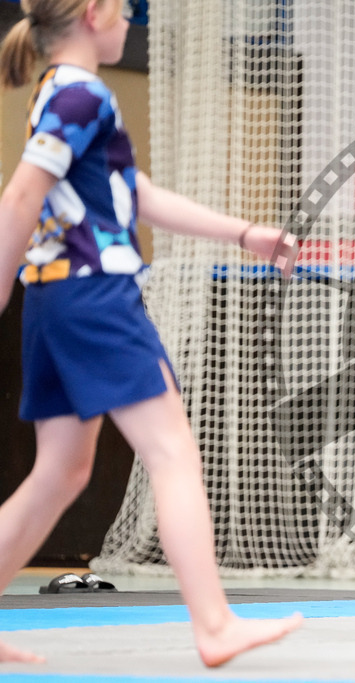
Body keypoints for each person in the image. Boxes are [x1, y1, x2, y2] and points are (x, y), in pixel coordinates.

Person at [0, 0, 301, 666]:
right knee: (172, 452)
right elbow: (20, 197)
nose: (132, 21)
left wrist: (244, 233)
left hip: (57, 296)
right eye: (124, 10)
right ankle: (215, 623)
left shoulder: (65, 94)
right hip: (95, 297)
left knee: (60, 471)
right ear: (92, 14)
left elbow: (134, 193)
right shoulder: (78, 94)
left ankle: (216, 621)